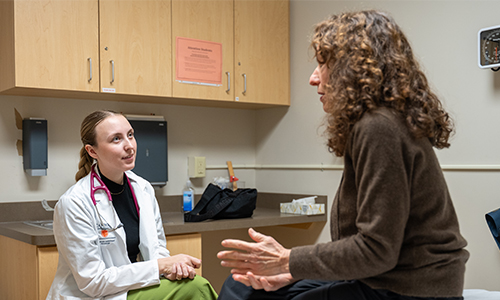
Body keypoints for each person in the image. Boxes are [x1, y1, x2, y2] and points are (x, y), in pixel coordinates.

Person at [217, 10, 469, 300]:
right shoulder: (377, 124)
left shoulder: (379, 128)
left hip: (412, 290)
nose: (313, 79)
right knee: (240, 287)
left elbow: (377, 250)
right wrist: (292, 270)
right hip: (379, 279)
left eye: (323, 64)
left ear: (353, 70)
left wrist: (287, 260)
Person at [47, 110, 218, 300]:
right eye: (116, 139)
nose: (129, 146)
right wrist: (161, 266)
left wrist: (170, 268)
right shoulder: (74, 202)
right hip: (93, 296)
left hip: (130, 288)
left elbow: (157, 248)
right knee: (197, 288)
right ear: (92, 151)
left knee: (191, 283)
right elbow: (92, 282)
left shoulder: (143, 189)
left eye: (130, 135)